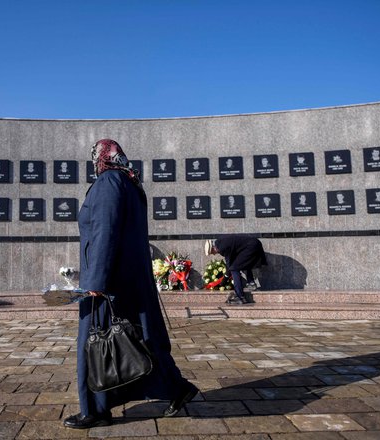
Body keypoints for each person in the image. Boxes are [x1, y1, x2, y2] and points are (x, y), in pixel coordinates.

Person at [65, 139, 198, 429]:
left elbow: (105, 231)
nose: (95, 160)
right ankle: (176, 389)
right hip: (129, 279)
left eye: (96, 156)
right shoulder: (129, 183)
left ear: (102, 158)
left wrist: (95, 281)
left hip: (108, 284)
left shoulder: (109, 181)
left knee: (94, 344)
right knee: (140, 341)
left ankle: (95, 410)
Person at [205, 234, 267, 304]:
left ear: (213, 248)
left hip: (251, 246)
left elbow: (230, 265)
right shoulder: (220, 242)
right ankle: (251, 282)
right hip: (254, 243)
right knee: (242, 263)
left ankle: (240, 297)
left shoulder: (222, 247)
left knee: (234, 269)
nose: (213, 254)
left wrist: (224, 280)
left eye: (212, 252)